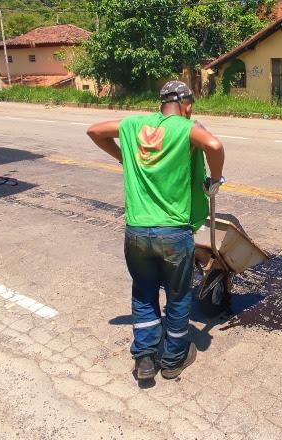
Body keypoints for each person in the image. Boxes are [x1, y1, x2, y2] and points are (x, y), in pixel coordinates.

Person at [87, 81, 225, 381]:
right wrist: (215, 181)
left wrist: (123, 156)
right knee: (177, 296)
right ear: (186, 104)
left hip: (136, 231)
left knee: (144, 293)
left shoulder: (133, 124)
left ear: (161, 102)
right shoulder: (185, 128)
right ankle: (173, 359)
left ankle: (145, 360)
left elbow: (94, 130)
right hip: (173, 232)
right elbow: (214, 145)